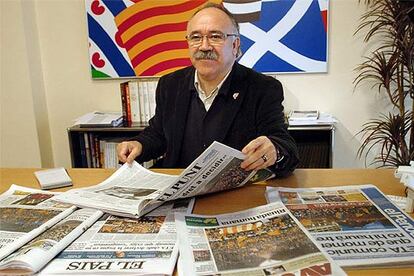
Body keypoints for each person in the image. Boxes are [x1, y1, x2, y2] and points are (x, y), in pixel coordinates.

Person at [117, 3, 299, 177]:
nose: (204, 46)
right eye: (196, 37)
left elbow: (285, 146)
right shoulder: (170, 84)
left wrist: (275, 149)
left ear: (235, 46)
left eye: (215, 36)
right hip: (179, 190)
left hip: (234, 194)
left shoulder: (263, 88)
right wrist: (138, 144)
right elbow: (158, 135)